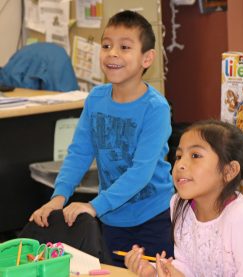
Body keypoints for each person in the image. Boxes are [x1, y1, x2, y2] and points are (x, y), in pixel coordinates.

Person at [29, 10, 174, 266]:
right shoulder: (96, 99)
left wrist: (94, 206)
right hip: (112, 220)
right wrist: (58, 197)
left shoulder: (156, 108)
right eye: (106, 45)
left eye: (125, 47)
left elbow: (140, 172)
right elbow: (79, 153)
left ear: (147, 58)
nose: (112, 53)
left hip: (153, 218)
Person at [125, 119, 243, 276]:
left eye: (195, 155)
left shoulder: (242, 219)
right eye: (179, 156)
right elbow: (188, 265)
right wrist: (154, 271)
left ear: (229, 171)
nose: (180, 164)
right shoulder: (179, 205)